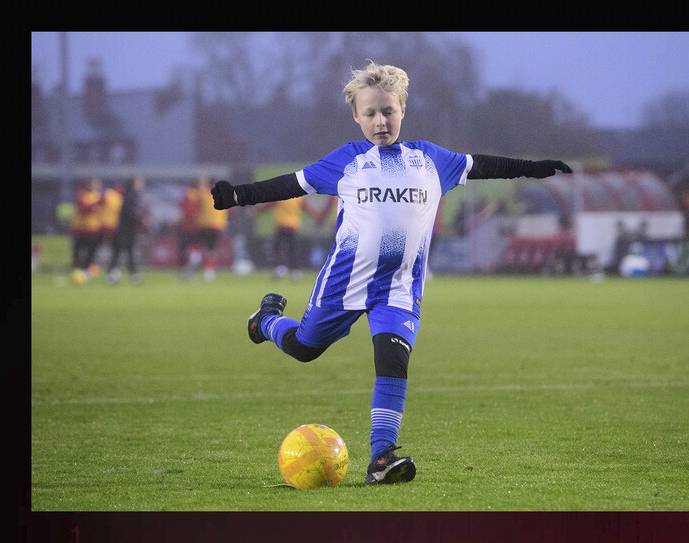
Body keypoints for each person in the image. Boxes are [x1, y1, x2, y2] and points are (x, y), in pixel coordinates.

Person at [210, 61, 571, 485]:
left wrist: (535, 167)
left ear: (402, 110)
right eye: (370, 114)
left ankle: (381, 458)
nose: (380, 122)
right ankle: (265, 320)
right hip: (344, 283)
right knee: (305, 348)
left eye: (388, 112)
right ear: (356, 117)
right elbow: (291, 184)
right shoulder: (348, 161)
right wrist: (238, 195)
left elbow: (485, 165)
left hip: (398, 289)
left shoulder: (432, 159)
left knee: (393, 360)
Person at [106, 175, 147, 285]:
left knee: (122, 252)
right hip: (125, 229)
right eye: (140, 182)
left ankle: (117, 276)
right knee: (123, 252)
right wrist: (139, 220)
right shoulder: (131, 194)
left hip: (123, 228)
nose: (142, 184)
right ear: (134, 183)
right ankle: (119, 276)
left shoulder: (128, 193)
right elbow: (128, 211)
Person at [193, 175, 229, 282]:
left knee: (201, 247)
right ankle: (209, 272)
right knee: (212, 249)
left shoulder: (202, 193)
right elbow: (231, 211)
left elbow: (195, 206)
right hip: (218, 226)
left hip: (204, 225)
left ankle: (195, 264)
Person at [69, 177, 104, 280]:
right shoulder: (83, 194)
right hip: (80, 228)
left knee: (91, 252)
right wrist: (94, 205)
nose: (96, 186)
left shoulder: (99, 196)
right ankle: (75, 271)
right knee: (77, 251)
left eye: (98, 184)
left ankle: (87, 272)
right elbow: (83, 208)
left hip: (93, 229)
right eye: (94, 184)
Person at [177, 177, 203, 280]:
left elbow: (183, 208)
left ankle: (184, 272)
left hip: (187, 226)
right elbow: (191, 211)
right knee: (194, 249)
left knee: (185, 250)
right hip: (193, 227)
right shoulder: (196, 194)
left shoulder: (188, 194)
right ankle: (189, 271)